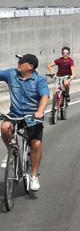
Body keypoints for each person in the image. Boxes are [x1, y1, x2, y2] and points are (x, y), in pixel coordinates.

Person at [0, 54, 49, 192]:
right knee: (4, 127)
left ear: (30, 66)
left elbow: (45, 96)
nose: (18, 63)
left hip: (32, 116)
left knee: (36, 143)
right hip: (15, 114)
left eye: (22, 61)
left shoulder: (39, 80)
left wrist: (40, 111)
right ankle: (11, 151)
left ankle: (33, 176)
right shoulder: (11, 74)